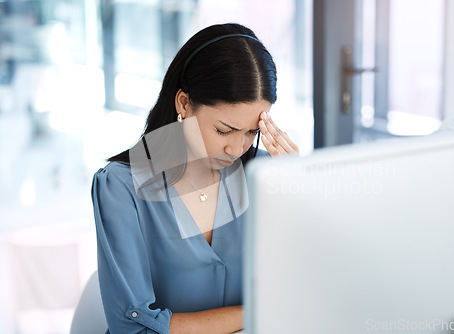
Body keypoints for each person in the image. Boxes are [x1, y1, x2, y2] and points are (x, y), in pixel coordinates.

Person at [91, 23, 299, 334]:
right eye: (223, 130)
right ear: (184, 104)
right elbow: (133, 328)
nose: (236, 148)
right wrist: (258, 311)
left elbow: (304, 291)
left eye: (252, 132)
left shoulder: (265, 176)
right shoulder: (120, 187)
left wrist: (300, 195)